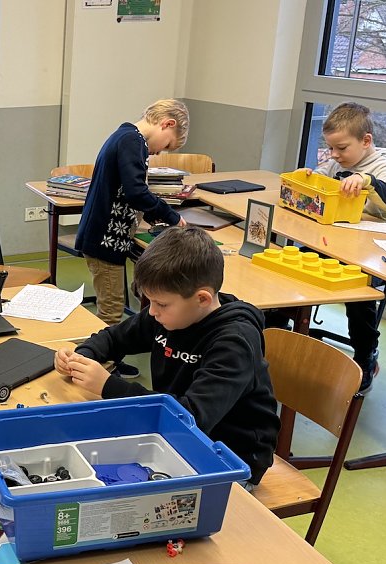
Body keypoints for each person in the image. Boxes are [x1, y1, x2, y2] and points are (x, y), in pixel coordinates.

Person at [56, 227, 280, 486]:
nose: (152, 312)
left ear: (202, 299)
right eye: (149, 301)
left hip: (231, 457)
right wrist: (81, 356)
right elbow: (114, 337)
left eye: (160, 304)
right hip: (174, 436)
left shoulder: (234, 342)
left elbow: (191, 416)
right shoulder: (170, 315)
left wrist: (109, 386)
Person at [75, 99, 190, 379]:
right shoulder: (132, 141)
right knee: (112, 309)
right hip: (105, 242)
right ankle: (101, 368)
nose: (160, 151)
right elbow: (137, 191)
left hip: (107, 238)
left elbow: (127, 193)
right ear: (167, 124)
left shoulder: (128, 136)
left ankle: (108, 361)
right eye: (167, 145)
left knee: (112, 301)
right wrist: (171, 216)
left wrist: (152, 217)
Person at [307, 102, 386, 391]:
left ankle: (365, 357)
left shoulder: (382, 165)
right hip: (336, 242)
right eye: (331, 148)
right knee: (291, 266)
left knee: (360, 299)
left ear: (366, 141)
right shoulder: (336, 163)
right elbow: (320, 177)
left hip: (371, 252)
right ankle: (285, 334)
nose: (334, 155)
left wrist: (367, 181)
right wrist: (311, 177)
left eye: (341, 148)